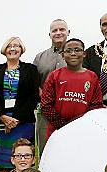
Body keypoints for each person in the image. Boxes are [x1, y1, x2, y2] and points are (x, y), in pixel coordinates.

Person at [0, 36, 40, 172]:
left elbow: (33, 97)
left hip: (24, 123)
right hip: (1, 123)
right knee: (3, 165)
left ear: (21, 49)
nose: (13, 49)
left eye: (16, 46)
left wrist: (16, 119)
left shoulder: (31, 69)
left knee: (23, 164)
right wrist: (3, 117)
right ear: (4, 50)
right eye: (9, 46)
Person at [41, 38, 103, 138]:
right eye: (68, 51)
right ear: (62, 55)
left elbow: (96, 106)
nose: (73, 53)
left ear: (84, 54)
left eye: (77, 50)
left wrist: (80, 125)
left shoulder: (92, 77)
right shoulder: (55, 75)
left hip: (82, 131)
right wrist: (63, 125)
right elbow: (46, 105)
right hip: (57, 131)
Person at [33, 19, 70, 155]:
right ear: (49, 34)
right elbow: (33, 82)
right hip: (45, 112)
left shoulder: (78, 55)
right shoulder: (40, 57)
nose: (58, 33)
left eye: (62, 29)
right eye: (54, 30)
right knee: (45, 150)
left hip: (70, 112)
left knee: (69, 150)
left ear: (68, 32)